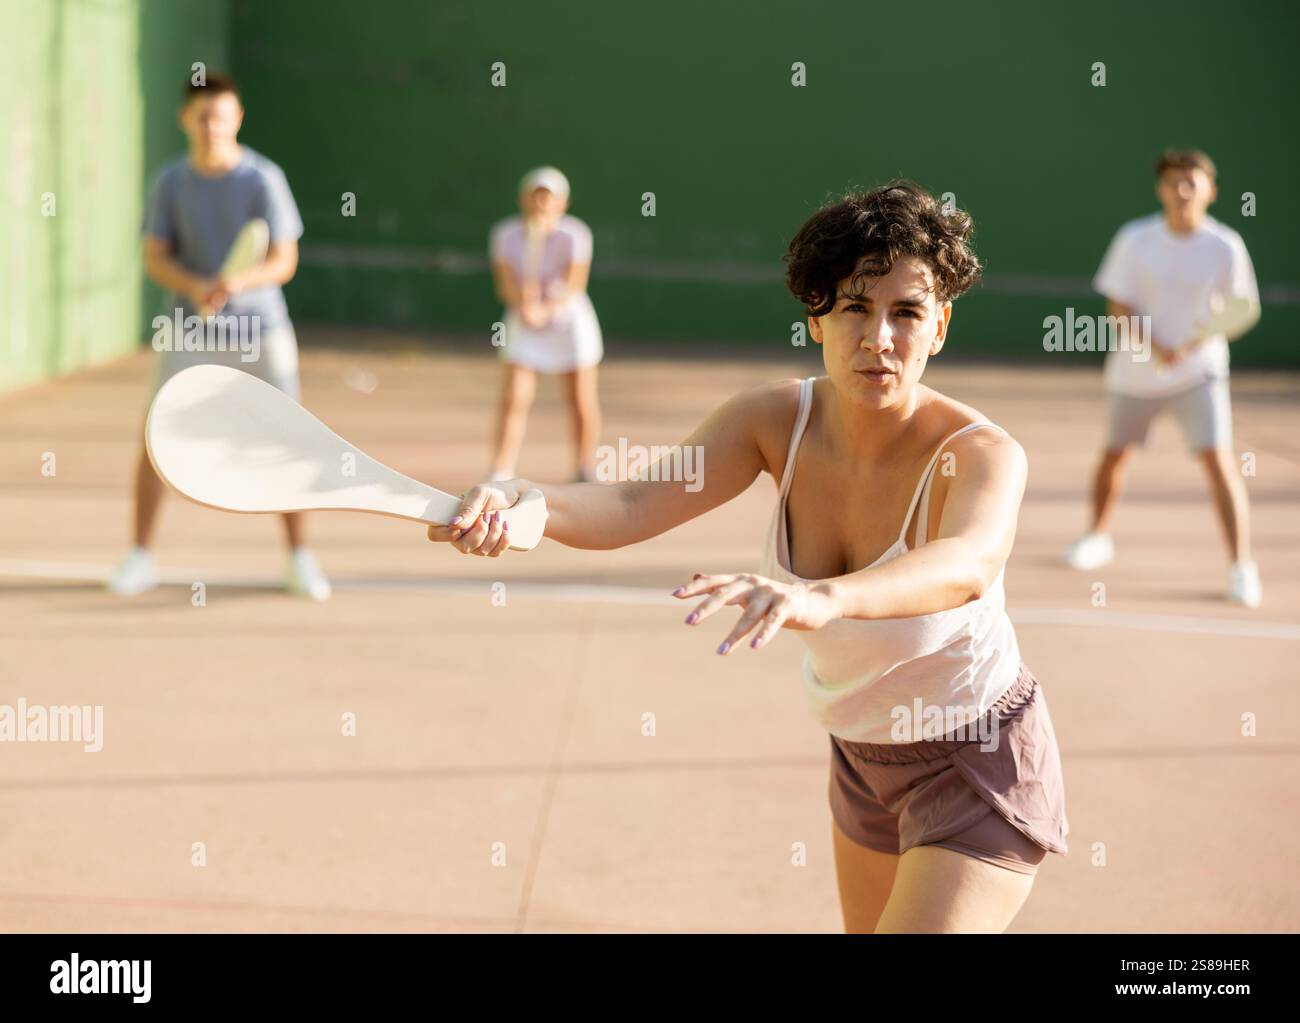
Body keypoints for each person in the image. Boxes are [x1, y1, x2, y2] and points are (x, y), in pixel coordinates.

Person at [429, 181, 1069, 933]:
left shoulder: (983, 452)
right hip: (862, 759)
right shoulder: (770, 420)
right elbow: (632, 505)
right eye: (854, 308)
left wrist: (824, 598)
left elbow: (967, 562)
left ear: (940, 326)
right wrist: (524, 503)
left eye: (906, 312)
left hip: (975, 758)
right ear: (816, 317)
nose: (879, 338)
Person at [108, 72, 330, 601]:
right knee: (156, 437)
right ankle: (139, 558)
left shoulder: (263, 179)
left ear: (238, 120)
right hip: (189, 327)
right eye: (203, 117)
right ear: (187, 119)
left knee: (291, 438)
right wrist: (197, 285)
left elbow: (284, 259)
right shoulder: (170, 182)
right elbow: (155, 258)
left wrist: (238, 280)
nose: (213, 127)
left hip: (262, 327)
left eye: (222, 117)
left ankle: (300, 560)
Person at [1063, 149, 1262, 607]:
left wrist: (1189, 347)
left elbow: (1240, 307)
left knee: (1218, 461)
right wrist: (1154, 348)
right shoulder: (1135, 239)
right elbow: (1119, 305)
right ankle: (1096, 537)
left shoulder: (1226, 246)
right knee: (1115, 456)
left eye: (1192, 182)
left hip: (1201, 374)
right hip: (1134, 373)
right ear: (1161, 189)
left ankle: (1241, 568)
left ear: (1210, 190)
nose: (1182, 190)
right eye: (1173, 182)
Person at [487, 167, 603, 483]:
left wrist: (546, 309)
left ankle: (583, 468)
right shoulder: (504, 234)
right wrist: (523, 302)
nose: (542, 202)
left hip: (569, 322)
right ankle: (501, 470)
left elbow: (574, 284)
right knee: (515, 396)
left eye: (548, 197)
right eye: (535, 195)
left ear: (562, 202)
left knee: (580, 398)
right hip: (523, 319)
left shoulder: (576, 234)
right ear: (524, 199)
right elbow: (505, 284)